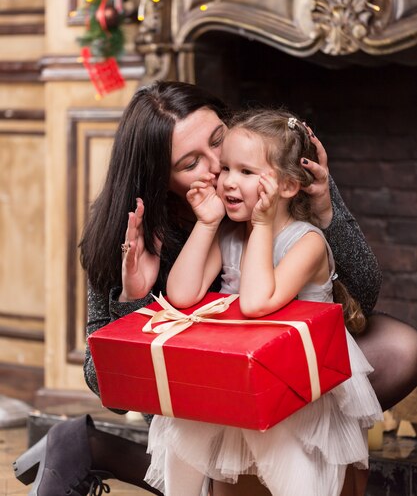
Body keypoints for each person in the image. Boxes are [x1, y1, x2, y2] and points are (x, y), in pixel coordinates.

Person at [13, 80, 417, 496]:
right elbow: (110, 386)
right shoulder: (135, 229)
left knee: (399, 350)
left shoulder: (269, 166)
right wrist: (135, 297)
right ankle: (97, 448)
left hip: (288, 366)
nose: (218, 170)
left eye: (219, 143)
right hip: (207, 390)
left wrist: (325, 210)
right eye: (192, 163)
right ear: (159, 180)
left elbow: (362, 295)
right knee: (209, 452)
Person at [143, 108, 383, 496]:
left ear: (287, 186)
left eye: (246, 172)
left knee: (293, 469)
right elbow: (181, 295)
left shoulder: (306, 242)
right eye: (225, 169)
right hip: (244, 375)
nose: (228, 183)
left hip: (298, 385)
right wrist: (207, 224)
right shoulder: (230, 235)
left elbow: (255, 303)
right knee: (186, 420)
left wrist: (260, 225)